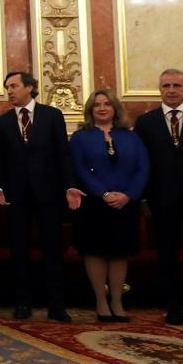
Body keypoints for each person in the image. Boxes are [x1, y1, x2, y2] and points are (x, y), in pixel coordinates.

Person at [0, 70, 83, 322]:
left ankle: (56, 305)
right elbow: (0, 159)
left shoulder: (51, 115)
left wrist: (69, 185)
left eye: (13, 86)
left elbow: (62, 154)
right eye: (6, 87)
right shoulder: (5, 120)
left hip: (48, 195)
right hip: (17, 196)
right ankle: (23, 303)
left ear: (29, 88)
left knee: (52, 250)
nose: (9, 91)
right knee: (19, 250)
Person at [70, 90, 148, 322]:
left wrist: (128, 195)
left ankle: (117, 300)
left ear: (115, 108)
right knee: (95, 252)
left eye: (106, 104)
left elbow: (143, 168)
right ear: (90, 110)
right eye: (97, 105)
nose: (102, 108)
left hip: (125, 204)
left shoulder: (131, 136)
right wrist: (103, 193)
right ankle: (101, 301)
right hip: (94, 205)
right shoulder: (80, 137)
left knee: (119, 253)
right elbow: (79, 168)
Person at [134, 68, 183, 324]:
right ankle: (173, 308)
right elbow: (141, 163)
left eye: (176, 85)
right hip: (161, 200)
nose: (171, 90)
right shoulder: (145, 122)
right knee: (167, 255)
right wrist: (143, 198)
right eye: (166, 86)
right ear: (159, 89)